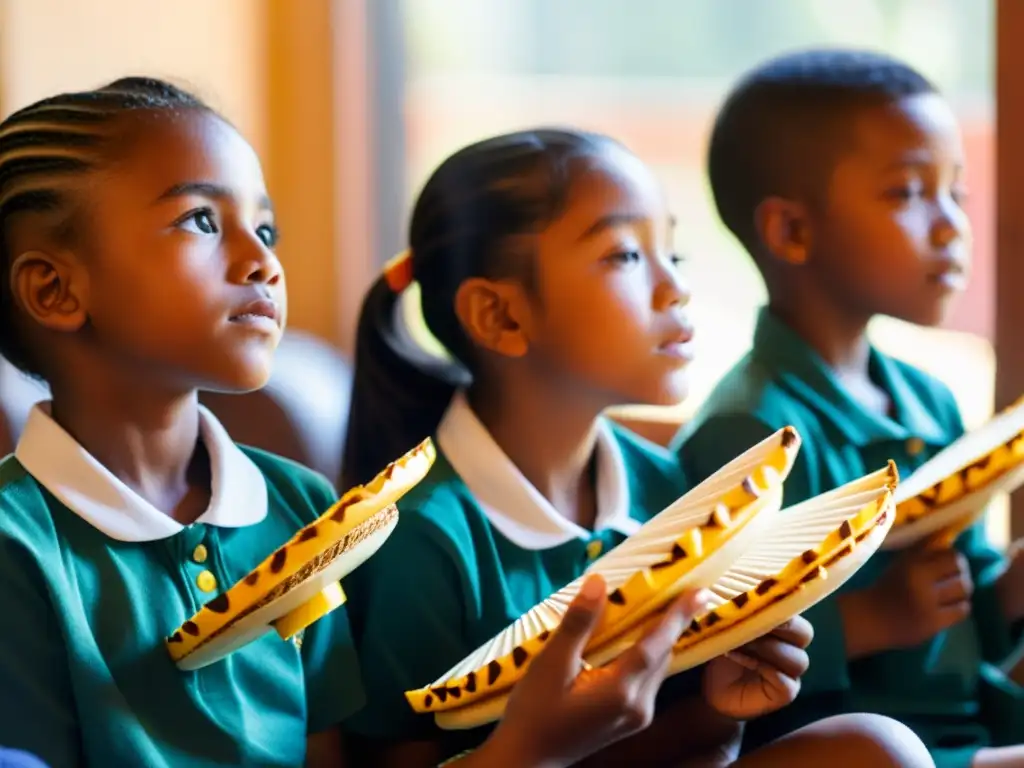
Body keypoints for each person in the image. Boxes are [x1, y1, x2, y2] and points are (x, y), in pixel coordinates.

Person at [0, 78, 745, 768]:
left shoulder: (301, 511)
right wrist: (529, 749)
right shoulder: (15, 548)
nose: (262, 262)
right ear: (55, 289)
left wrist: (714, 718)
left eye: (266, 230)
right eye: (201, 220)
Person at [340, 127, 935, 767]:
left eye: (672, 255)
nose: (674, 288)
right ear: (501, 316)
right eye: (625, 255)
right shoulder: (424, 541)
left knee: (878, 750)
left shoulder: (669, 489)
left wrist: (718, 707)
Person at [673, 49, 1024, 768]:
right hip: (865, 745)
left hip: (973, 726)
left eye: (955, 190)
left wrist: (1007, 587)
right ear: (792, 232)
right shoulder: (751, 435)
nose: (952, 224)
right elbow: (723, 654)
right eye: (907, 193)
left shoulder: (930, 399)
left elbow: (973, 604)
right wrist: (873, 618)